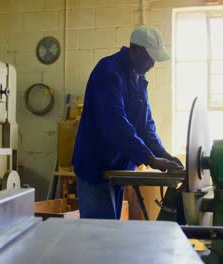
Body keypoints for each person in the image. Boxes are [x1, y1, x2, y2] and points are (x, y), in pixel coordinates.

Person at [72, 25, 183, 219]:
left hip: (117, 169)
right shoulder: (108, 72)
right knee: (99, 236)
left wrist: (163, 154)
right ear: (135, 49)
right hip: (96, 167)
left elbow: (145, 125)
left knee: (111, 233)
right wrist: (150, 159)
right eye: (149, 58)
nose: (152, 64)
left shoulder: (139, 78)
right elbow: (115, 124)